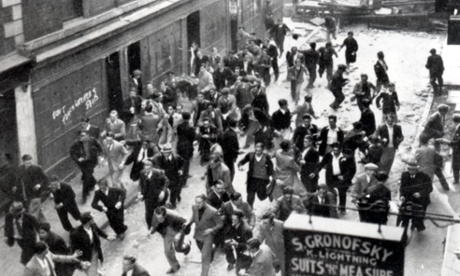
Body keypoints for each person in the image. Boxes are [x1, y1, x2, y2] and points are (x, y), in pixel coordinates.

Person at [184, 194, 223, 276]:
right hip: (198, 234)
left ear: (205, 201)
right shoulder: (194, 207)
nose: (197, 204)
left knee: (205, 257)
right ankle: (211, 251)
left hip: (208, 235)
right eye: (196, 202)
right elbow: (194, 217)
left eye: (199, 202)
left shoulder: (213, 211)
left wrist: (212, 230)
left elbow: (220, 224)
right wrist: (189, 222)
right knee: (203, 251)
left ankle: (204, 274)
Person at [315, 144, 356, 215]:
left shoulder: (346, 157)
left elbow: (352, 169)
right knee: (331, 192)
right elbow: (321, 164)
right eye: (334, 150)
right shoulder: (328, 155)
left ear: (340, 150)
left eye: (337, 150)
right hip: (331, 177)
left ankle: (342, 208)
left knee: (342, 192)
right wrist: (315, 172)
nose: (335, 152)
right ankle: (332, 208)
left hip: (341, 178)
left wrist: (344, 176)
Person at [150, 206, 191, 274]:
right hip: (167, 230)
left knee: (178, 248)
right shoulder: (156, 215)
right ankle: (175, 266)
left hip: (178, 230)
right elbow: (154, 225)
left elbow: (186, 224)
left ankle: (187, 246)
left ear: (165, 215)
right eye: (157, 218)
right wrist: (150, 231)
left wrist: (179, 234)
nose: (158, 220)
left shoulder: (175, 216)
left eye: (160, 218)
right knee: (167, 251)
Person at [238, 142, 276, 207]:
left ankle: (269, 194)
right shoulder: (250, 155)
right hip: (252, 179)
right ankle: (249, 211)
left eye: (259, 151)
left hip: (262, 180)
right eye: (256, 150)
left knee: (261, 196)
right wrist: (240, 166)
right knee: (250, 197)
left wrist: (273, 178)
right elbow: (241, 162)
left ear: (262, 150)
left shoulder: (266, 157)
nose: (257, 152)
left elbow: (271, 168)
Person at [399, 160, 433, 231]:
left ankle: (416, 225)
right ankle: (403, 232)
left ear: (417, 169)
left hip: (420, 200)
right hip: (408, 199)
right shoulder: (404, 175)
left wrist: (420, 193)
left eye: (413, 170)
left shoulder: (424, 176)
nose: (410, 171)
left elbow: (429, 188)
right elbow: (402, 187)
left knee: (417, 217)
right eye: (409, 169)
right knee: (404, 216)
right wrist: (402, 196)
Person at [69, 130, 102, 203]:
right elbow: (72, 153)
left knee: (86, 177)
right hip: (82, 163)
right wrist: (77, 159)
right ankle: (93, 183)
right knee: (87, 176)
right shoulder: (76, 143)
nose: (82, 137)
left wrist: (99, 156)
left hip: (91, 161)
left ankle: (84, 195)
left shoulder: (92, 140)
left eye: (83, 135)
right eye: (80, 136)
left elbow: (99, 148)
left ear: (88, 135)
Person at [16, 154, 49, 222]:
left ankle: (35, 227)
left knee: (32, 212)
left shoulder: (37, 168)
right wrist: (16, 187)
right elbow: (18, 179)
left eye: (30, 163)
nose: (29, 164)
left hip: (35, 193)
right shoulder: (20, 169)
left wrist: (39, 185)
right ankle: (45, 225)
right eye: (26, 163)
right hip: (26, 194)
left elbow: (45, 178)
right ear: (23, 162)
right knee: (36, 211)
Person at [138, 160, 169, 229]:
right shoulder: (142, 173)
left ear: (152, 168)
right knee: (148, 214)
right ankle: (150, 227)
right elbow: (140, 183)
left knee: (160, 212)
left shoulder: (158, 172)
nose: (147, 171)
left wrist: (163, 192)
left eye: (148, 169)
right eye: (145, 169)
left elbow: (166, 181)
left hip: (158, 196)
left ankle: (163, 226)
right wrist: (140, 192)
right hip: (148, 196)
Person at [152, 144, 184, 209]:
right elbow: (156, 164)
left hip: (174, 177)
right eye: (164, 153)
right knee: (165, 190)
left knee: (174, 191)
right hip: (165, 177)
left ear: (170, 152)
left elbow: (183, 163)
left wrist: (181, 170)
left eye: (166, 153)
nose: (165, 154)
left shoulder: (176, 157)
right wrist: (160, 170)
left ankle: (173, 203)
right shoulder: (160, 158)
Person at [437, 114, 460, 184]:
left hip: (458, 151)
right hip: (457, 149)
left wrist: (446, 141)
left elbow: (458, 142)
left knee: (455, 166)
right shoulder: (458, 127)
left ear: (455, 121)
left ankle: (456, 180)